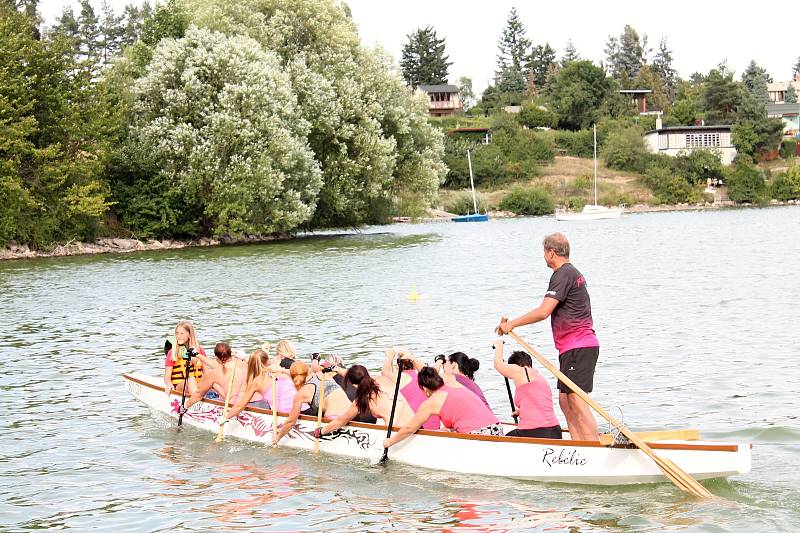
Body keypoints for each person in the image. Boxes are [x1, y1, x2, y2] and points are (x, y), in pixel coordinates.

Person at [496, 232, 600, 442]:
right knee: (564, 400)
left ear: (551, 253)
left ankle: (593, 446)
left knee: (577, 400)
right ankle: (578, 444)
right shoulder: (570, 273)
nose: (544, 256)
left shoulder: (563, 274)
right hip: (571, 348)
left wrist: (512, 324)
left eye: (544, 252)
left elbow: (544, 311)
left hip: (579, 345)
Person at [383, 367, 502, 450]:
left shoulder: (431, 402)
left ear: (424, 388)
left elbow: (410, 428)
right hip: (497, 429)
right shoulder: (453, 384)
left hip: (476, 436)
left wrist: (390, 442)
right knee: (444, 431)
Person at [315, 365, 415, 438]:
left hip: (397, 434)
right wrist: (334, 368)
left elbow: (341, 421)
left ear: (354, 385)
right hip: (415, 425)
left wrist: (320, 431)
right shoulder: (382, 380)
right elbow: (357, 376)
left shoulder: (362, 399)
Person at [493, 338, 561, 439]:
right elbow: (539, 404)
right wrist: (522, 411)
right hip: (555, 430)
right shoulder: (541, 378)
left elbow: (498, 365)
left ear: (516, 365)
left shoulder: (521, 370)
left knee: (500, 441)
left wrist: (499, 346)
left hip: (534, 431)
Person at [271, 361, 351, 446]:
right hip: (352, 411)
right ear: (308, 371)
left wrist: (278, 437)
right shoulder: (322, 374)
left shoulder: (301, 394)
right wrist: (282, 370)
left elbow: (291, 422)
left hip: (335, 417)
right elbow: (299, 373)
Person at [221, 347, 306, 423]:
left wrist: (225, 418)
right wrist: (283, 370)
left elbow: (240, 406)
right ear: (268, 360)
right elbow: (304, 375)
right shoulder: (279, 370)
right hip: (305, 408)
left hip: (287, 413)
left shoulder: (256, 382)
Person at [184, 342, 247, 409]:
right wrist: (197, 354)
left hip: (233, 404)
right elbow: (214, 363)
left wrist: (185, 406)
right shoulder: (244, 364)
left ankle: (226, 400)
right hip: (248, 401)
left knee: (213, 384)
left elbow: (199, 395)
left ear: (216, 357)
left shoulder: (215, 372)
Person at [163, 321, 207, 396]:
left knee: (214, 379)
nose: (178, 336)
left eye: (182, 333)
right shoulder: (172, 352)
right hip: (181, 386)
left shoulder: (199, 351)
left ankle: (225, 401)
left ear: (189, 335)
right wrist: (169, 384)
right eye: (177, 333)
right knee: (191, 379)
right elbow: (167, 376)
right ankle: (195, 401)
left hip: (197, 384)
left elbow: (206, 372)